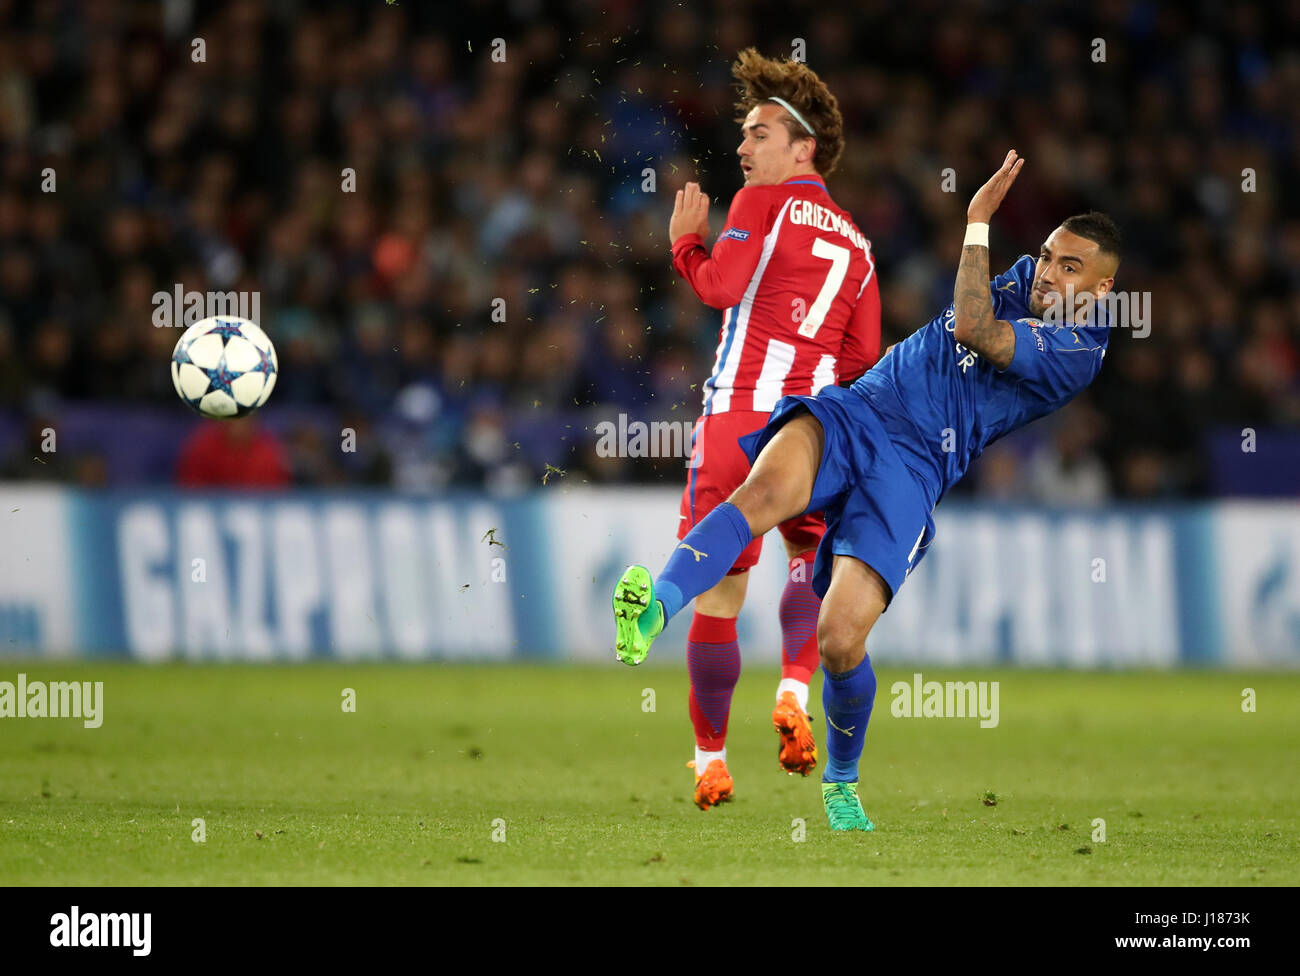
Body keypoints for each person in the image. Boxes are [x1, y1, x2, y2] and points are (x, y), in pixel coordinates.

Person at [614, 151, 1121, 830]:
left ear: (1105, 289)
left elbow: (972, 325)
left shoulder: (1077, 354)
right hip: (859, 407)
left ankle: (842, 782)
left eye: (1070, 267)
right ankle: (656, 609)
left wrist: (976, 221)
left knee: (839, 641)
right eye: (1049, 255)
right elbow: (977, 304)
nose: (1047, 273)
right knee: (759, 496)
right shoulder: (1026, 278)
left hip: (913, 470)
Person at [661, 48, 881, 809]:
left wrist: (684, 244)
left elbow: (721, 287)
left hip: (737, 419)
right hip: (816, 434)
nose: (743, 149)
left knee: (720, 597)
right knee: (806, 570)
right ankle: (793, 688)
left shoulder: (762, 203)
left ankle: (710, 762)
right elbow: (862, 362)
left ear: (801, 148)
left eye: (758, 135)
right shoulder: (857, 245)